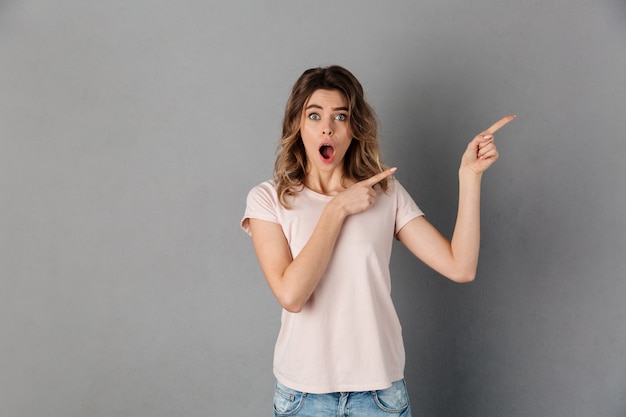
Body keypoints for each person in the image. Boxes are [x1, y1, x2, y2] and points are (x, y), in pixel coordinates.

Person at [241, 65, 514, 417]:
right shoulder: (268, 199)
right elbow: (292, 295)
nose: (327, 127)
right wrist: (337, 208)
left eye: (341, 116)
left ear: (354, 129)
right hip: (303, 399)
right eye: (314, 115)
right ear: (298, 125)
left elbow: (460, 266)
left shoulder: (385, 194)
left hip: (379, 397)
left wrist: (470, 177)